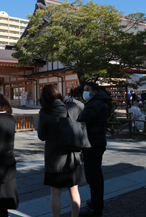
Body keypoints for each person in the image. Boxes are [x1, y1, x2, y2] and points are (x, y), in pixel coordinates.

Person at [37, 85, 86, 217]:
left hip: (54, 158)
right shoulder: (71, 108)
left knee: (55, 193)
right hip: (72, 156)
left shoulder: (44, 113)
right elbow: (82, 105)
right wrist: (69, 99)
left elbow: (41, 136)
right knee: (74, 191)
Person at [78, 82, 109, 217]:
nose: (84, 92)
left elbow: (82, 121)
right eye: (84, 89)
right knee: (96, 175)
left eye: (87, 90)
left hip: (92, 144)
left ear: (94, 92)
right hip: (98, 142)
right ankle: (96, 203)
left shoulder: (93, 104)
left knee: (93, 177)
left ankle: (96, 208)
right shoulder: (101, 102)